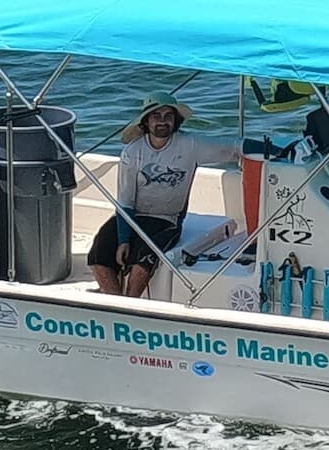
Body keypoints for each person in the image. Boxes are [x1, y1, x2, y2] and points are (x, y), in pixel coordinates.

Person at [87, 94, 237, 298]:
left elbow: (232, 146)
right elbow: (125, 201)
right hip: (133, 215)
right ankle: (115, 300)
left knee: (143, 257)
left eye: (168, 116)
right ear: (146, 121)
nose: (162, 120)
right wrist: (123, 240)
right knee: (99, 251)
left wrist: (268, 149)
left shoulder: (190, 144)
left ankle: (130, 303)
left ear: (176, 121)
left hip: (167, 219)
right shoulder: (133, 151)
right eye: (156, 115)